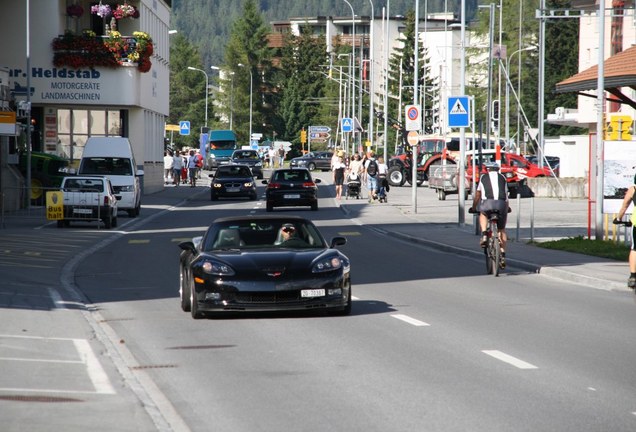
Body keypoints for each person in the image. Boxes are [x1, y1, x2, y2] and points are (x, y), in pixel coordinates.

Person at [470, 162, 510, 268]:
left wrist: (474, 207)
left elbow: (478, 194)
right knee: (502, 230)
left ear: (488, 169)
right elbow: (506, 195)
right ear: (497, 169)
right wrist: (507, 208)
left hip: (487, 204)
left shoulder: (483, 177)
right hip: (501, 204)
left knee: (482, 213)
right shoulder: (503, 178)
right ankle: (502, 254)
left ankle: (484, 234)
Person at [613, 175, 636, 289]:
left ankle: (633, 276)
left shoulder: (633, 189)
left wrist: (618, 218)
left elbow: (625, 206)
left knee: (635, 249)